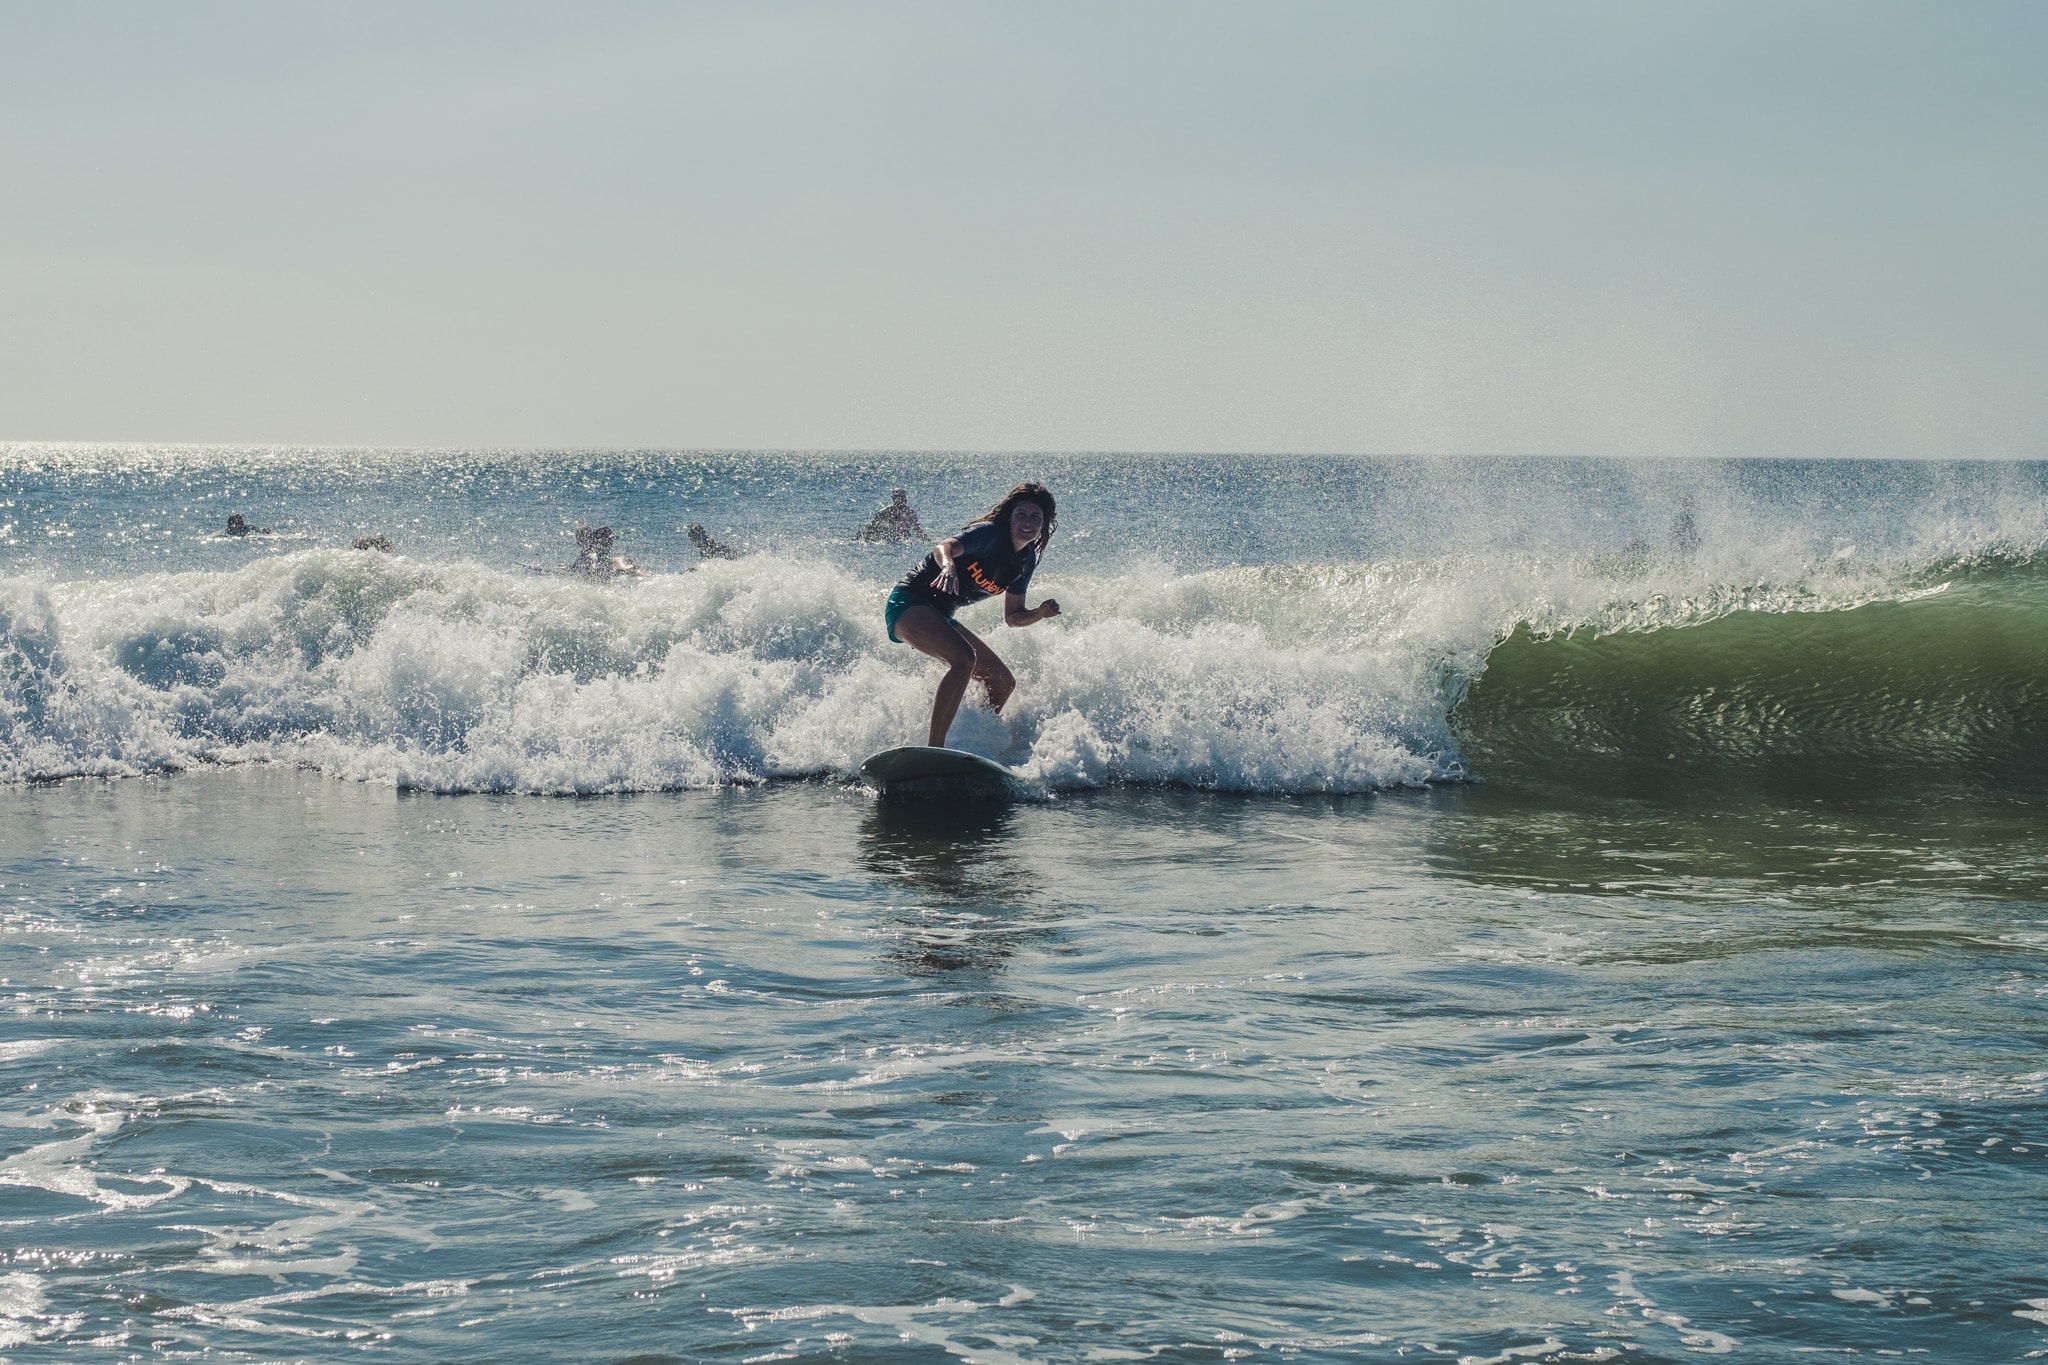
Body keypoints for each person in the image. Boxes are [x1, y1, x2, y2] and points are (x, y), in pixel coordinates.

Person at [885, 482, 1061, 748]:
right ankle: (935, 749)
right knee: (964, 659)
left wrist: (1039, 613)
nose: (1027, 522)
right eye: (1021, 514)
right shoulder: (989, 534)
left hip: (940, 615)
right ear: (1009, 517)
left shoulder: (1025, 561)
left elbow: (1013, 616)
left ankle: (973, 743)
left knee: (1002, 682)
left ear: (1044, 524)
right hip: (909, 602)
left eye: (1035, 517)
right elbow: (944, 547)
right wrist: (948, 568)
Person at [857, 488, 928, 545]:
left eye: (901, 498)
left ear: (905, 499)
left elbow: (917, 529)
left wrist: (925, 539)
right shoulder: (885, 512)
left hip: (898, 538)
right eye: (897, 498)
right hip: (894, 538)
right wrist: (860, 534)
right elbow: (872, 526)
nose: (899, 500)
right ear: (893, 499)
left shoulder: (910, 513)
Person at [568, 525, 643, 577]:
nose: (611, 542)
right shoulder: (592, 556)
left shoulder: (585, 557)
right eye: (609, 540)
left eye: (611, 540)